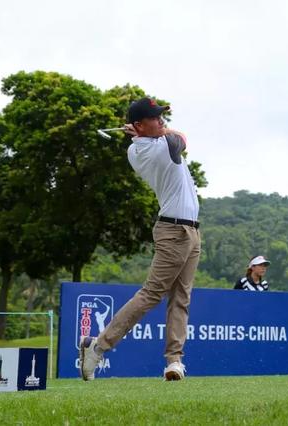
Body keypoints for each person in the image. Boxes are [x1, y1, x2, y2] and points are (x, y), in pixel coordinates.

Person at [79, 97, 201, 381]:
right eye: (155, 118)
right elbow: (182, 137)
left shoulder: (140, 148)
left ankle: (174, 361)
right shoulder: (160, 148)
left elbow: (164, 135)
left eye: (161, 117)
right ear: (137, 125)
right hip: (174, 231)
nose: (162, 122)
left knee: (181, 298)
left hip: (191, 231)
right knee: (151, 294)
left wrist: (148, 132)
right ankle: (98, 346)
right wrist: (159, 133)